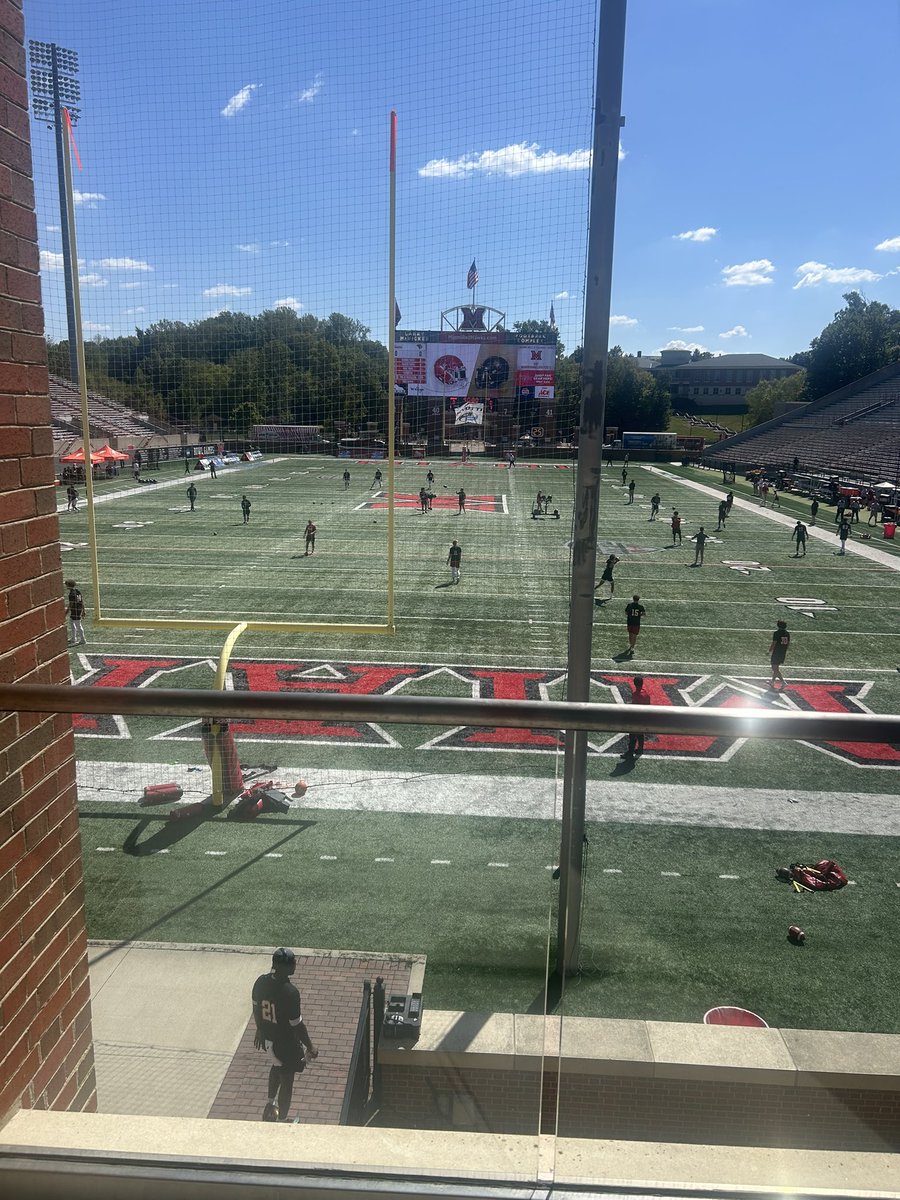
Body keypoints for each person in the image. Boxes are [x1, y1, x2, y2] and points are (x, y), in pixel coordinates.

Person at [252, 947, 318, 1124]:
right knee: (287, 1080)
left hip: (268, 1039)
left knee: (276, 1066)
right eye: (293, 962)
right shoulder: (290, 992)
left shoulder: (260, 982)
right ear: (286, 967)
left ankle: (270, 1104)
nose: (295, 964)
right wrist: (310, 1046)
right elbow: (297, 1025)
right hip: (286, 1044)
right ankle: (281, 1120)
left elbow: (256, 1009)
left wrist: (259, 1029)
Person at [622, 675, 651, 758]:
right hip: (644, 718)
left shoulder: (635, 694)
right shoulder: (646, 693)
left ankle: (630, 752)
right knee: (640, 734)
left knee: (632, 736)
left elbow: (634, 708)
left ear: (634, 684)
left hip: (636, 718)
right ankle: (640, 749)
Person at [769, 620, 790, 689]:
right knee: (776, 667)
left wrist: (769, 651)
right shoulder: (787, 633)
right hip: (782, 652)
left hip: (777, 652)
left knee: (774, 668)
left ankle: (783, 681)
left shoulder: (777, 633)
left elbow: (774, 643)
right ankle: (772, 681)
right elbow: (788, 644)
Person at [64, 579, 86, 645]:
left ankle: (83, 639)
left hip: (75, 610)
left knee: (78, 625)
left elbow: (71, 604)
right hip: (78, 610)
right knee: (72, 623)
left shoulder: (71, 594)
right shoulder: (77, 591)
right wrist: (83, 610)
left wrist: (66, 612)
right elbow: (81, 601)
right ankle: (73, 638)